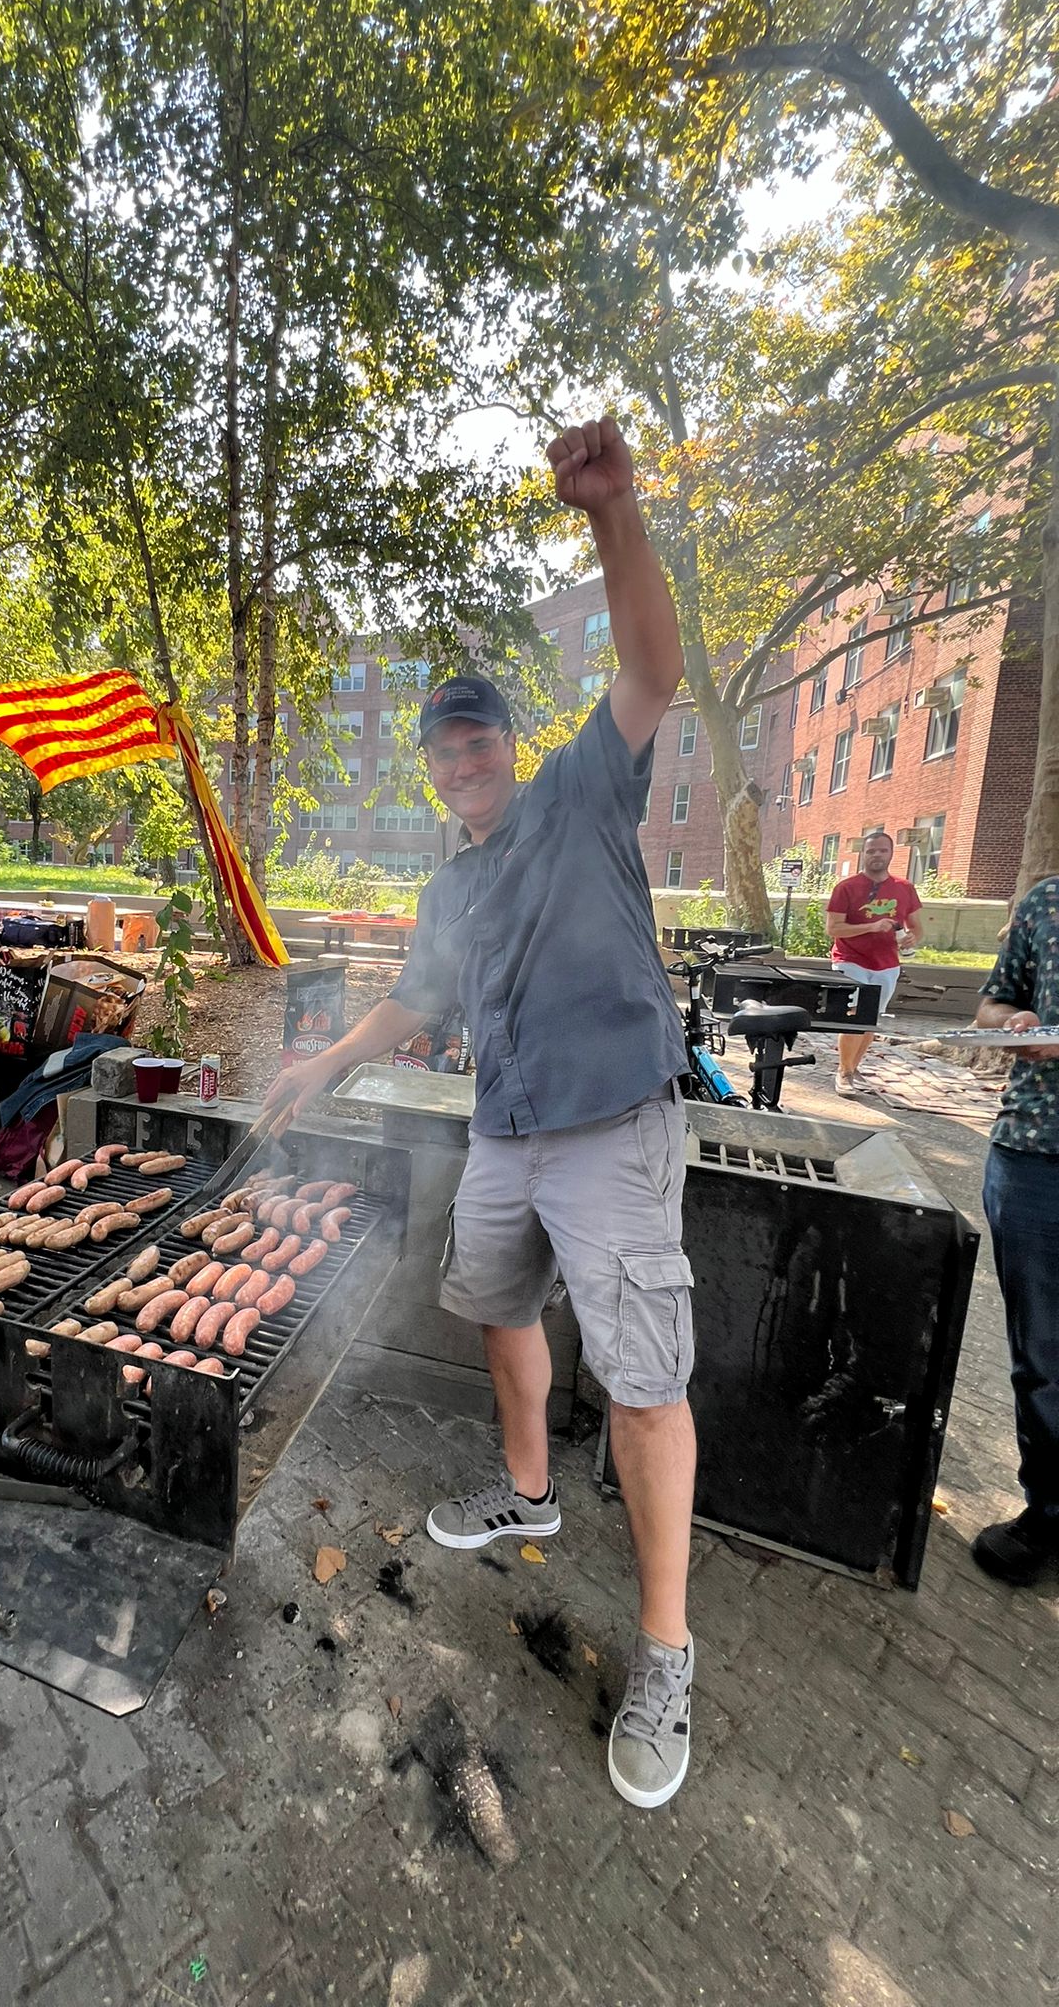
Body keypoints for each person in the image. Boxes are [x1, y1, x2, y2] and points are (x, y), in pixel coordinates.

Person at [262, 418, 697, 1810]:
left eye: (474, 737)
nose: (459, 760)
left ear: (510, 742)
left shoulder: (580, 789)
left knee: (644, 1381)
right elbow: (417, 1001)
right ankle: (527, 1485)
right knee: (500, 1307)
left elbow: (652, 668)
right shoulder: (447, 884)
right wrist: (318, 1067)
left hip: (613, 1119)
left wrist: (614, 515)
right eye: (441, 750)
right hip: (504, 1128)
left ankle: (668, 1653)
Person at [970, 873, 1059, 1584]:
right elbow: (992, 1005)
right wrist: (1013, 1023)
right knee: (1042, 1357)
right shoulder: (1046, 901)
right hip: (1034, 1154)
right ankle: (1049, 1514)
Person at [826, 831, 923, 1096]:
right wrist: (871, 926)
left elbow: (916, 926)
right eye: (871, 851)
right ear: (863, 854)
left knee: (870, 1018)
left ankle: (853, 1067)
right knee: (855, 1016)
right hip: (850, 960)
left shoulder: (904, 888)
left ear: (891, 853)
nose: (876, 855)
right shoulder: (846, 887)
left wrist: (912, 938)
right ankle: (844, 1072)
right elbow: (833, 928)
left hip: (887, 964)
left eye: (882, 850)